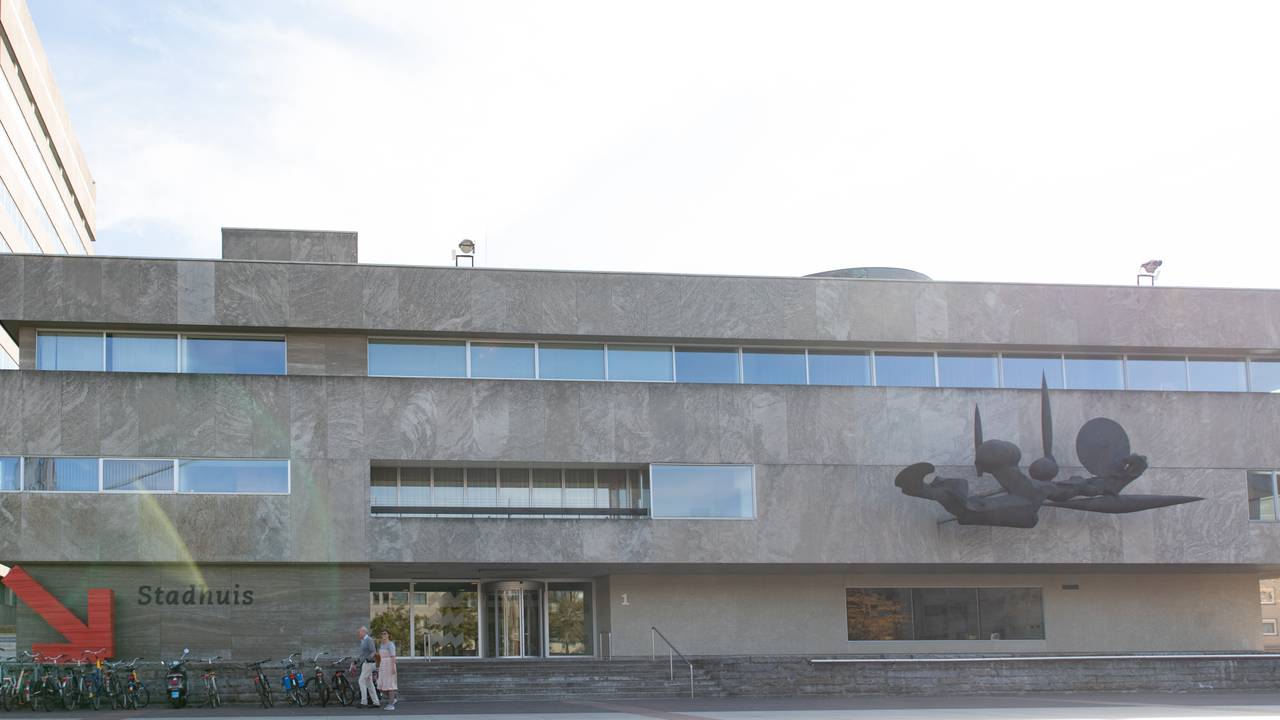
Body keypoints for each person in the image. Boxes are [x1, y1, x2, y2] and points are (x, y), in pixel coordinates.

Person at [356, 626, 380, 708]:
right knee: (369, 683)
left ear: (363, 632)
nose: (358, 634)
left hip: (369, 664)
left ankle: (364, 702)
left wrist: (368, 658)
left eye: (359, 632)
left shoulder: (369, 640)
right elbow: (363, 654)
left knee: (361, 681)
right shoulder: (363, 641)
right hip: (365, 664)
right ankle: (376, 702)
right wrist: (357, 660)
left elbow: (374, 651)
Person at [376, 629, 398, 710]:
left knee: (390, 685)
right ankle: (393, 699)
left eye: (385, 633)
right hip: (383, 666)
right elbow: (379, 657)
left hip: (389, 665)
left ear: (388, 635)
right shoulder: (381, 644)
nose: (383, 635)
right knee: (381, 686)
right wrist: (378, 667)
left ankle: (391, 705)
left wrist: (393, 668)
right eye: (382, 634)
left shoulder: (390, 644)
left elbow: (393, 657)